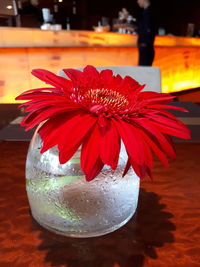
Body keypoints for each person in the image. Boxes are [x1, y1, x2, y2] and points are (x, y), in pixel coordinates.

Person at [137, 0, 157, 66]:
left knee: (144, 69)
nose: (138, 2)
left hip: (146, 48)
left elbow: (148, 29)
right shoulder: (147, 12)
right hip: (146, 47)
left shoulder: (149, 13)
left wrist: (144, 43)